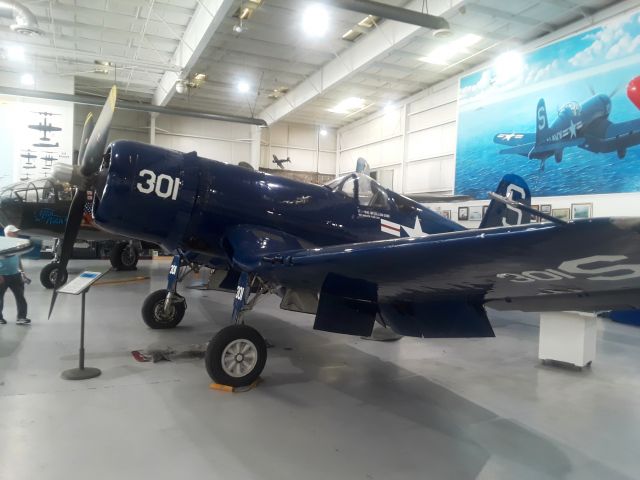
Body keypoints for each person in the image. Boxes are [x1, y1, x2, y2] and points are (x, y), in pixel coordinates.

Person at [0, 225, 30, 325]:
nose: (17, 234)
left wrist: (22, 272)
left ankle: (21, 317)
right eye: (14, 232)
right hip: (2, 275)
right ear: (8, 233)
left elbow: (18, 259)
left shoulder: (17, 245)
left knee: (20, 297)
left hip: (16, 275)